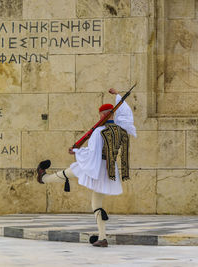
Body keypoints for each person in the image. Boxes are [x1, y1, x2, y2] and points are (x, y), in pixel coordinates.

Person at [36, 88, 137, 247]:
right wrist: (118, 95)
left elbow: (92, 152)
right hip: (109, 170)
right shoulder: (120, 130)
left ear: (103, 115)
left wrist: (76, 150)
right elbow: (126, 115)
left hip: (95, 166)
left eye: (101, 115)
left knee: (70, 172)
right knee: (96, 204)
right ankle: (102, 237)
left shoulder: (99, 131)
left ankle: (43, 178)